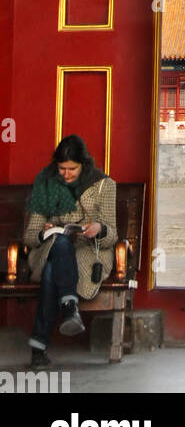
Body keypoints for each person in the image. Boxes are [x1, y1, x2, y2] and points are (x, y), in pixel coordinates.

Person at [23, 134, 117, 368]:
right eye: (62, 168)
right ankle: (69, 307)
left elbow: (112, 235)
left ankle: (39, 347)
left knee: (51, 273)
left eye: (72, 169)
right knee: (60, 243)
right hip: (49, 249)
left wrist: (99, 228)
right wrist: (44, 231)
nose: (66, 174)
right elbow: (29, 234)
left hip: (88, 252)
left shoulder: (104, 185)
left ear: (83, 165)